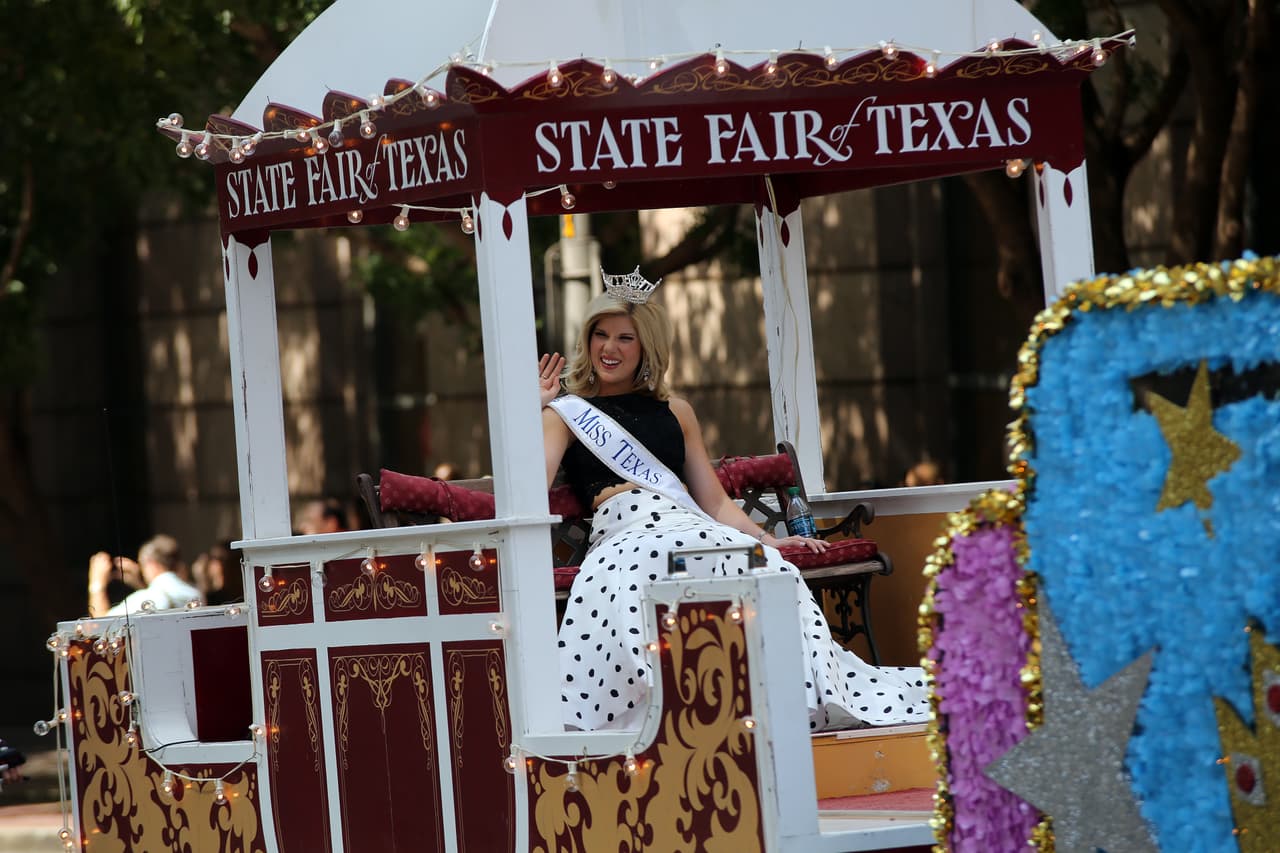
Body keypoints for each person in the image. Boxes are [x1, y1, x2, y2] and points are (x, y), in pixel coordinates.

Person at [540, 269, 928, 732]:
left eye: (626, 337)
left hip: (688, 526)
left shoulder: (677, 412)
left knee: (771, 569)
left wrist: (769, 541)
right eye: (601, 334)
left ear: (647, 347)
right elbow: (533, 486)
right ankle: (667, 714)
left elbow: (715, 502)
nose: (610, 347)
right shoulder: (565, 414)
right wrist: (533, 411)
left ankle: (772, 702)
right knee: (653, 565)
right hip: (628, 534)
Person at [88, 534, 202, 617]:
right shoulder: (195, 594)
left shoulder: (149, 598)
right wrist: (139, 583)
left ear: (151, 564)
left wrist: (97, 583)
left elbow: (101, 624)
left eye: (141, 564)